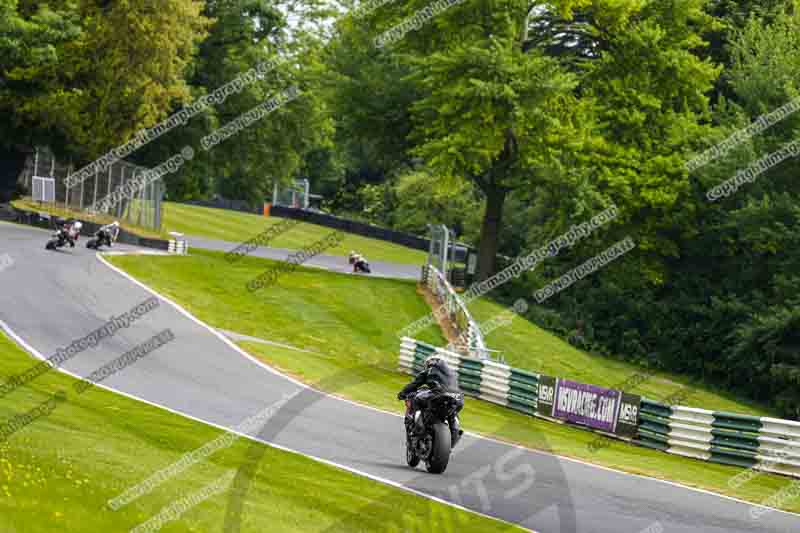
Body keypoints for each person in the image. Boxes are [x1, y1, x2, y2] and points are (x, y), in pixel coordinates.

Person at [397, 355, 464, 447]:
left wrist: (402, 394)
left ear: (430, 363)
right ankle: (454, 434)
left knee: (417, 400)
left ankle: (418, 428)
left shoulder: (428, 371)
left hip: (439, 395)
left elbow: (414, 384)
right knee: (453, 413)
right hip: (458, 398)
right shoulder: (453, 373)